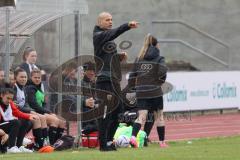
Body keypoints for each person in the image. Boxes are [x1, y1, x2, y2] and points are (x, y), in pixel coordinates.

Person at [93, 11, 138, 151]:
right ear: (100, 22)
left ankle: (108, 141)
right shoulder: (99, 35)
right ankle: (103, 145)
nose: (110, 22)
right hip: (104, 81)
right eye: (107, 20)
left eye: (111, 19)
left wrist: (118, 56)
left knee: (119, 111)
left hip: (113, 80)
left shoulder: (106, 37)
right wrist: (127, 26)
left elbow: (105, 57)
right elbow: (113, 33)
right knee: (105, 113)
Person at [128, 34, 168, 148]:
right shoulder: (160, 58)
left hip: (141, 91)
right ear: (156, 44)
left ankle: (133, 137)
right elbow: (163, 71)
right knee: (159, 116)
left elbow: (132, 75)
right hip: (155, 90)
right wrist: (160, 82)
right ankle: (162, 142)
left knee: (141, 116)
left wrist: (133, 87)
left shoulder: (139, 58)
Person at [25, 69, 66, 145]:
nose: (37, 79)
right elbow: (34, 104)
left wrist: (48, 112)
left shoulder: (38, 87)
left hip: (40, 112)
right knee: (55, 121)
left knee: (62, 122)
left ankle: (54, 143)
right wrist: (49, 112)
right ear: (31, 78)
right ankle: (49, 143)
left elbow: (43, 104)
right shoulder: (30, 88)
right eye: (35, 77)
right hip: (34, 111)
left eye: (39, 78)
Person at [13, 68, 48, 149]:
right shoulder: (14, 88)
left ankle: (43, 143)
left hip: (22, 112)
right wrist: (31, 111)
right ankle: (39, 145)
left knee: (38, 118)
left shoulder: (23, 88)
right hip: (14, 114)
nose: (23, 79)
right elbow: (15, 106)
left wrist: (31, 111)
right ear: (16, 78)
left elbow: (26, 104)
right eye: (21, 77)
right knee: (35, 118)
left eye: (25, 77)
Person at [0, 87, 38, 153]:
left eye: (11, 99)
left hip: (4, 125)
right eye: (7, 98)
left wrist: (29, 116)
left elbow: (16, 112)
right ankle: (11, 147)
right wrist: (3, 133)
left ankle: (19, 146)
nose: (9, 101)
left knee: (27, 122)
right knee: (15, 122)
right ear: (1, 95)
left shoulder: (10, 103)